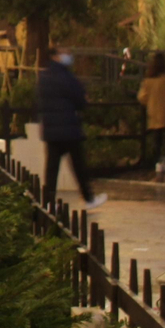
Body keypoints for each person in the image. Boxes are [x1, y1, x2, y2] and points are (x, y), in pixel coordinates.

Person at [37, 47, 106, 209]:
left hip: (51, 129)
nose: (68, 56)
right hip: (69, 127)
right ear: (56, 56)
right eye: (64, 53)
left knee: (52, 168)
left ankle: (48, 200)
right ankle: (88, 197)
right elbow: (80, 98)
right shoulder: (66, 76)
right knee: (79, 165)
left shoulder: (44, 76)